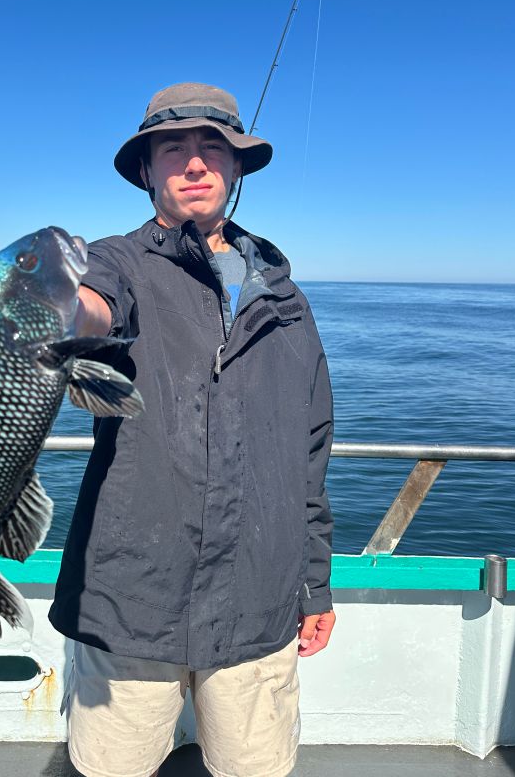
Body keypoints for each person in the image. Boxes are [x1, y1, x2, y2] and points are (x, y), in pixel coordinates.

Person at [48, 82, 336, 777]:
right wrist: (49, 304)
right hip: (130, 596)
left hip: (259, 597)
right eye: (173, 148)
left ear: (237, 168)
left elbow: (310, 450)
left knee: (255, 767)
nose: (197, 162)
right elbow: (92, 306)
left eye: (214, 147)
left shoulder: (285, 297)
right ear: (147, 172)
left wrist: (315, 584)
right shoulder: (116, 261)